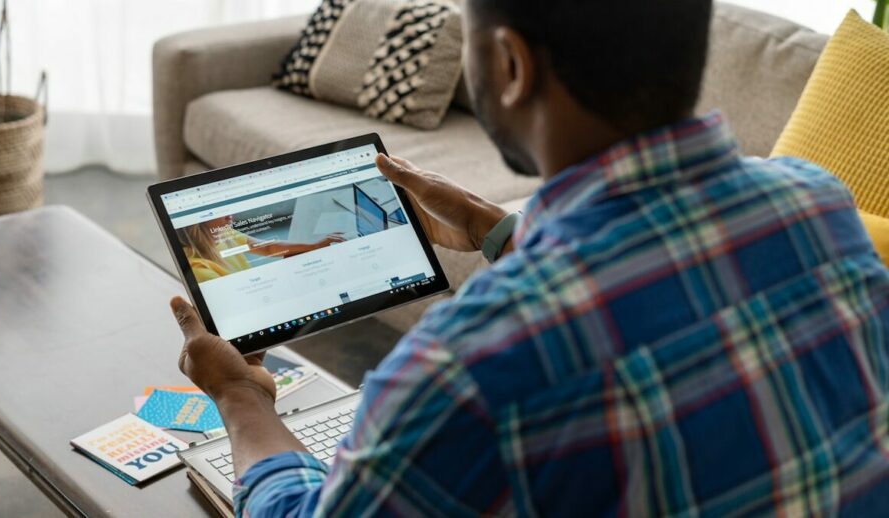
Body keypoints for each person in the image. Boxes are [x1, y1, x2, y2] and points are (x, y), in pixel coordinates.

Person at [169, 0, 889, 515]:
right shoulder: (816, 206)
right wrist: (494, 228)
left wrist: (242, 398)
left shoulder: (471, 366)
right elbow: (652, 289)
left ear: (509, 65)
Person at [177, 214, 344, 282]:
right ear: (196, 222)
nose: (230, 216)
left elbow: (267, 248)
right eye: (218, 212)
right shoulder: (199, 270)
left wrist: (314, 246)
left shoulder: (223, 233)